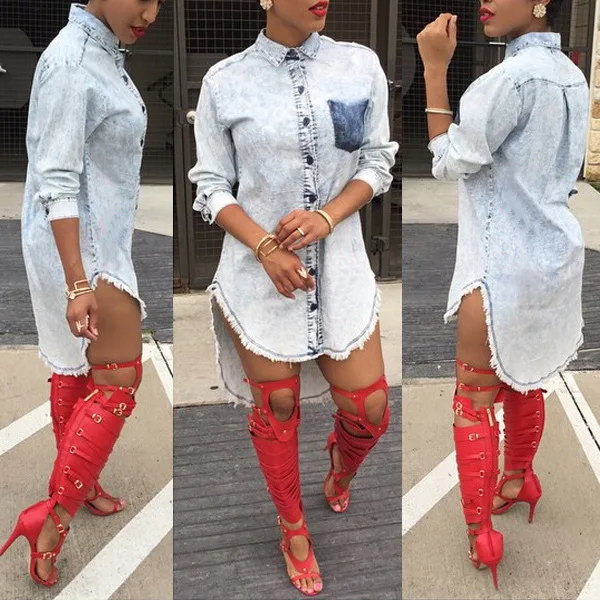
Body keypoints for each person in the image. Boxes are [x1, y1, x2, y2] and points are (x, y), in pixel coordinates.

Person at [189, 0, 398, 595]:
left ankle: (340, 465)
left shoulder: (359, 65)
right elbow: (210, 184)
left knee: (370, 410)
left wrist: (328, 216)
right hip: (258, 273)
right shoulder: (225, 81)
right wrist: (264, 246)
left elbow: (377, 160)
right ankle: (293, 530)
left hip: (341, 267)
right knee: (278, 405)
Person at [417, 0, 587, 589]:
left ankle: (481, 535)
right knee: (525, 378)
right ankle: (518, 479)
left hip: (500, 269)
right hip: (556, 260)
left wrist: (434, 70)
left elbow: (448, 162)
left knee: (473, 400)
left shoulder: (506, 80)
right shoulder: (571, 73)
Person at [0, 0, 164, 587]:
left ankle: (80, 480)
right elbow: (57, 177)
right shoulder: (73, 62)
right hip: (80, 249)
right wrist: (76, 281)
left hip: (85, 242)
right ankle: (51, 520)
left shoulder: (102, 52)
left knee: (76, 369)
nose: (151, 13)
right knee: (119, 378)